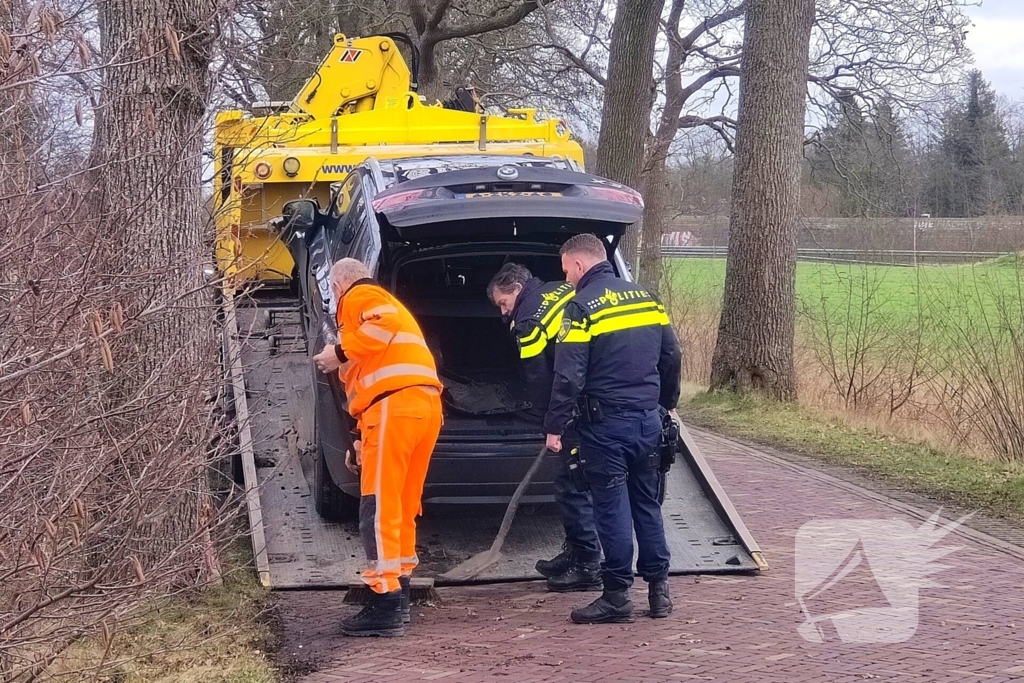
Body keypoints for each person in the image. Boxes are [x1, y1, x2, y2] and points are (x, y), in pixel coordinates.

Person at [543, 233, 682, 624]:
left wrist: (554, 426)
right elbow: (671, 355)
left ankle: (617, 596)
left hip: (606, 428)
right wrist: (667, 403)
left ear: (579, 264)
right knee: (648, 507)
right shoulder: (647, 298)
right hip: (649, 422)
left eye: (566, 269)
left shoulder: (581, 307)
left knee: (611, 510)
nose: (566, 277)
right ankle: (659, 593)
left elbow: (568, 375)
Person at [313, 258, 443, 637]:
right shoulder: (384, 318)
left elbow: (380, 321)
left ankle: (384, 599)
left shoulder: (359, 295)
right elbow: (365, 384)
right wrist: (358, 436)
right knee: (401, 503)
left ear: (339, 286)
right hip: (418, 409)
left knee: (379, 505)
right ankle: (398, 590)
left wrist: (336, 352)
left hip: (393, 409)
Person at [487, 262, 602, 593]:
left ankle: (587, 565)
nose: (503, 313)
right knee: (582, 483)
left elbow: (537, 377)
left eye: (503, 304)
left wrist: (548, 424)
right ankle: (574, 552)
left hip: (576, 406)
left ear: (517, 291)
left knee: (572, 485)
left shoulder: (528, 320)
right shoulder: (559, 287)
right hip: (598, 391)